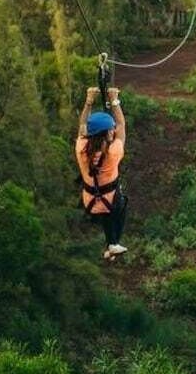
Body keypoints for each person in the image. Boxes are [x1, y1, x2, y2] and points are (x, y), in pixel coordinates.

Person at [76, 85, 128, 260]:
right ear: (106, 133)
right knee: (121, 205)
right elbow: (121, 124)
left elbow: (83, 125)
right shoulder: (113, 152)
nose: (113, 130)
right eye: (110, 129)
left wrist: (89, 101)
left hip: (89, 202)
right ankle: (113, 243)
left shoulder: (81, 148)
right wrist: (114, 100)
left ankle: (111, 245)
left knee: (107, 212)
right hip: (111, 202)